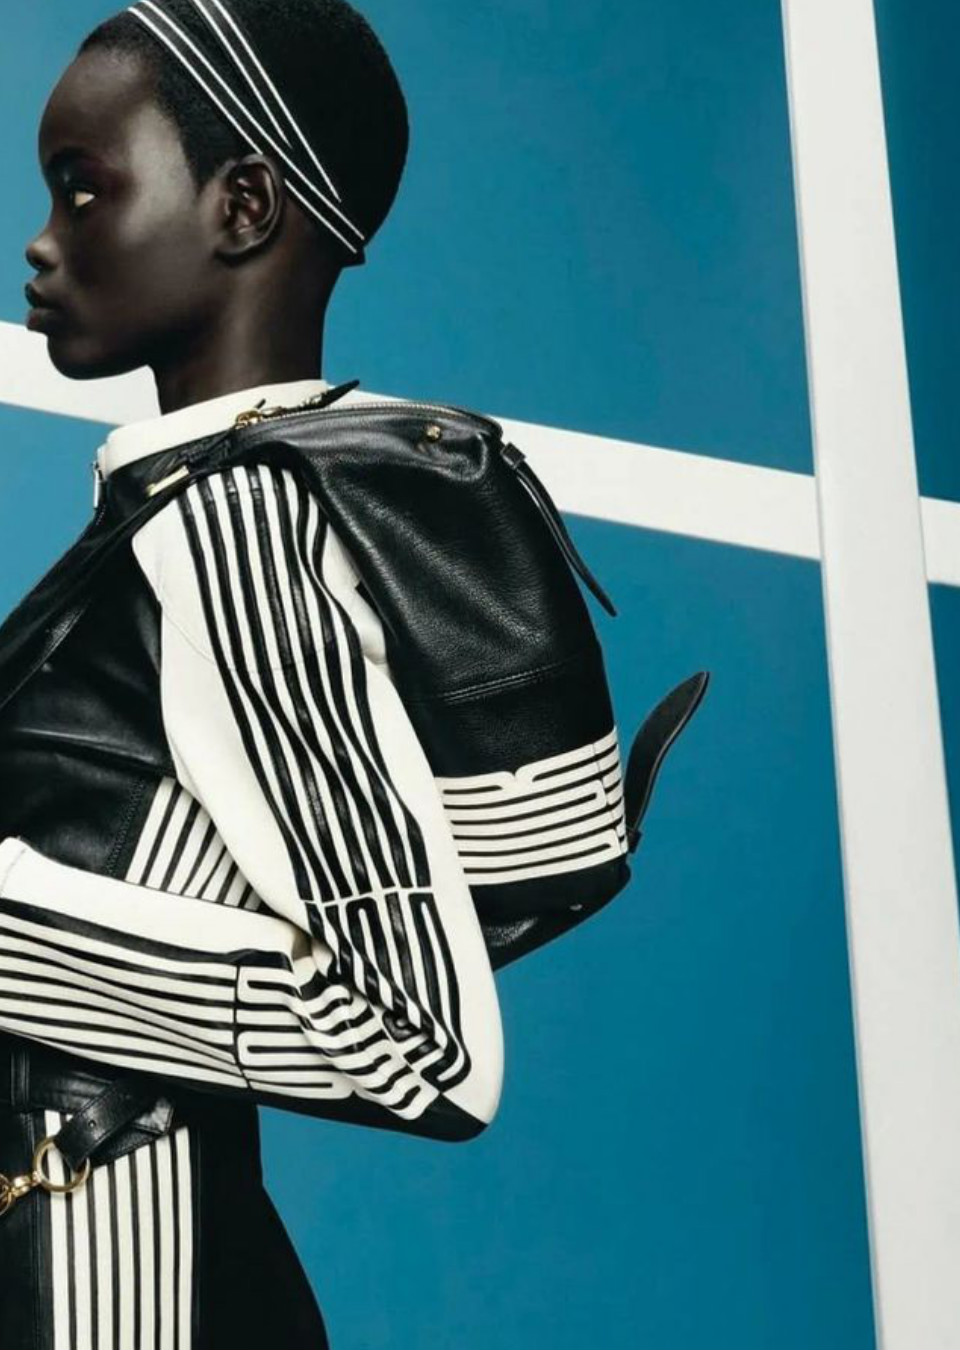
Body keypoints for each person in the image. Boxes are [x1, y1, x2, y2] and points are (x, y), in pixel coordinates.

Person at [2, 2, 514, 1345]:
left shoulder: (242, 533)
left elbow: (416, 1037)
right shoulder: (168, 520)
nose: (41, 241)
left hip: (123, 1282)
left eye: (83, 187)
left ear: (241, 207)